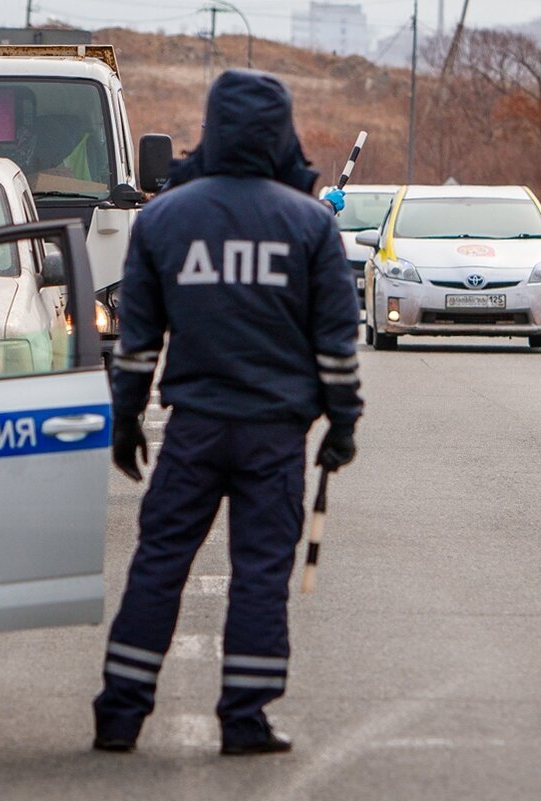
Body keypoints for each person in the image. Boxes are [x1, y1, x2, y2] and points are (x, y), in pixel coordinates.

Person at [92, 70, 363, 756]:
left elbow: (136, 345)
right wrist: (342, 424)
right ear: (281, 132)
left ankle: (119, 714)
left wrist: (125, 422)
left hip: (193, 428)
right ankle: (245, 718)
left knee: (159, 563)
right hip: (274, 435)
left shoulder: (163, 220)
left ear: (212, 128)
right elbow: (335, 342)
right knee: (262, 571)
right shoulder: (309, 224)